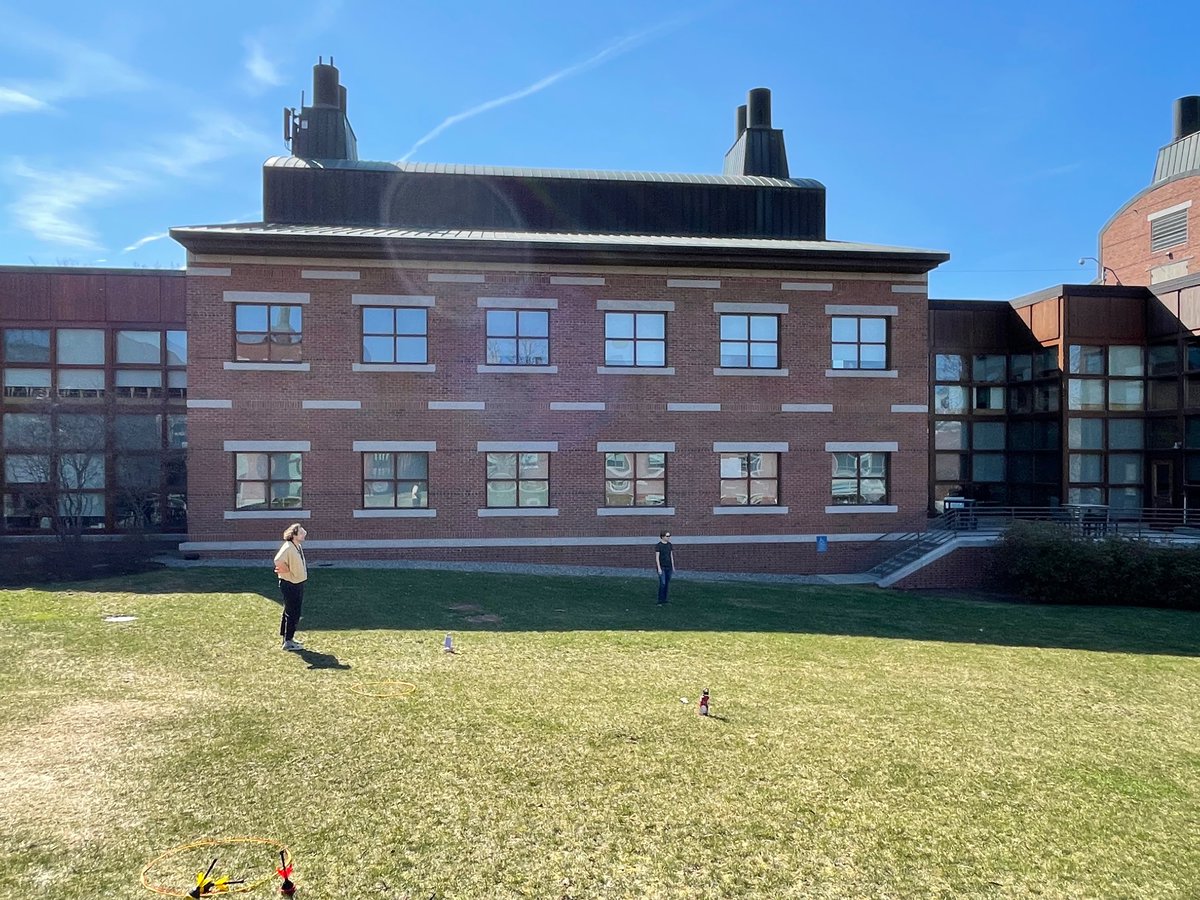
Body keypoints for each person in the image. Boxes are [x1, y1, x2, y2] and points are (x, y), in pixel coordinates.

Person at [273, 523, 308, 650]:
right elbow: (277, 560)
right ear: (294, 535)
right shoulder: (288, 547)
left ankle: (287, 637)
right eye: (301, 531)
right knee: (293, 612)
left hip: (297, 582)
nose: (304, 533)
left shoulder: (297, 546)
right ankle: (288, 642)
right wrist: (285, 570)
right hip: (290, 584)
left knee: (290, 610)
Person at [654, 530, 675, 605]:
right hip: (662, 567)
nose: (669, 537)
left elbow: (671, 556)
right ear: (663, 537)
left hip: (669, 567)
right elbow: (657, 558)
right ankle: (660, 600)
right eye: (667, 536)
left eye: (669, 536)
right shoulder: (658, 545)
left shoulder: (670, 545)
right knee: (662, 583)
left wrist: (673, 566)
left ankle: (665, 599)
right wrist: (659, 568)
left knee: (667, 583)